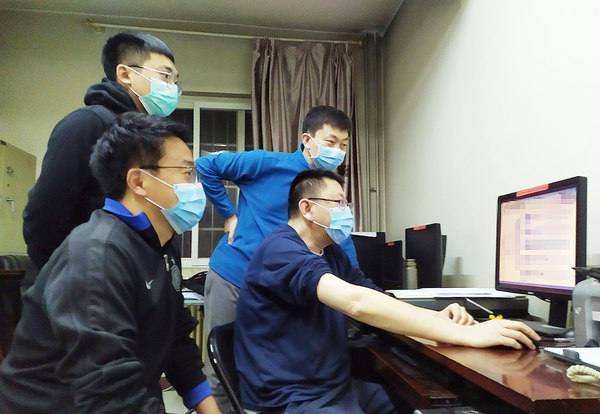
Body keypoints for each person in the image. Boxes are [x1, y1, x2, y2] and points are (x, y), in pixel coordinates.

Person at [234, 169, 541, 413]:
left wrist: (436, 318)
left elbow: (373, 296)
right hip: (294, 396)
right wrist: (467, 335)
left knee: (412, 402)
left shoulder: (330, 252)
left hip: (334, 387)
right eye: (338, 203)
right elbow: (356, 303)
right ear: (307, 208)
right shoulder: (280, 250)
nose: (346, 211)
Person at [0, 113, 220, 414]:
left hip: (124, 394)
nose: (196, 185)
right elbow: (108, 394)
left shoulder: (162, 244)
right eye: (187, 172)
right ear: (139, 181)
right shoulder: (97, 254)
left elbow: (175, 339)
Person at [196, 105, 359, 412]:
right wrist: (228, 214)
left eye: (343, 145)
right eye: (331, 141)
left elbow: (340, 241)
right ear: (307, 140)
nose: (337, 151)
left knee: (269, 371)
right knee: (224, 372)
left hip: (279, 292)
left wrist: (356, 288)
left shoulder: (327, 188)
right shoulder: (267, 163)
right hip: (234, 277)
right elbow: (206, 166)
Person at [22, 31, 182, 286]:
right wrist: (69, 275)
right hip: (79, 285)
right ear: (125, 74)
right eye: (165, 76)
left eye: (175, 81)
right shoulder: (88, 123)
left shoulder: (145, 138)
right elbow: (44, 215)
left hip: (123, 279)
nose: (172, 87)